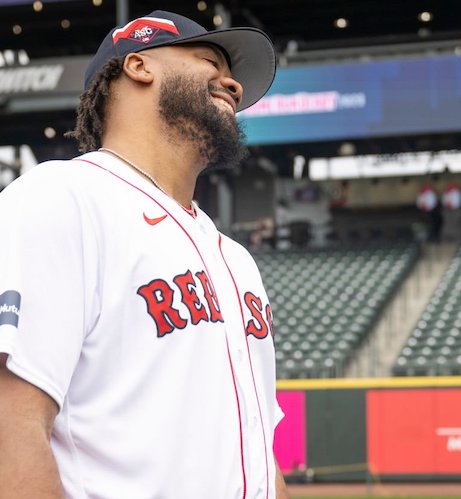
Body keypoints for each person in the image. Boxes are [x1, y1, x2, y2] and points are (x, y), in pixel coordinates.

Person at [0, 11, 290, 499]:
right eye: (208, 60)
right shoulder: (61, 198)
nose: (233, 85)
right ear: (138, 64)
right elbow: (11, 427)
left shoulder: (237, 259)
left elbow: (260, 456)